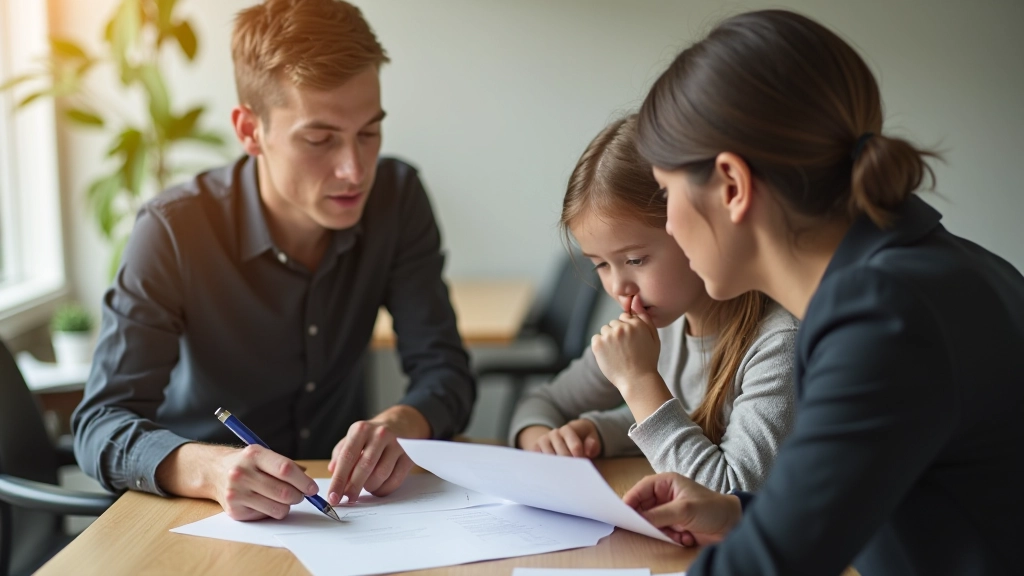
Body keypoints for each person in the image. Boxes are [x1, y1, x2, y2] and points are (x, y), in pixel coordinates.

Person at [621, 9, 1024, 575]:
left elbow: (772, 565)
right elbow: (872, 497)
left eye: (667, 194)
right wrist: (741, 513)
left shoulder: (881, 316)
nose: (667, 225)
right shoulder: (923, 271)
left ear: (732, 186)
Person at [72, 0, 476, 522]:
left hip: (350, 514)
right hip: (204, 518)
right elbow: (101, 422)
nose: (354, 170)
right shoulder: (173, 229)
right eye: (319, 139)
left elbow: (447, 373)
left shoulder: (397, 199)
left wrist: (400, 423)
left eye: (369, 133)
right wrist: (210, 470)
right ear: (249, 130)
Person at [510, 115, 798, 492]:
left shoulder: (779, 343)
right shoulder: (655, 324)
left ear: (692, 227)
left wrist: (638, 380)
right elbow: (542, 401)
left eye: (635, 260)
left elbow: (731, 493)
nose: (618, 286)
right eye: (599, 264)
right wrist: (552, 438)